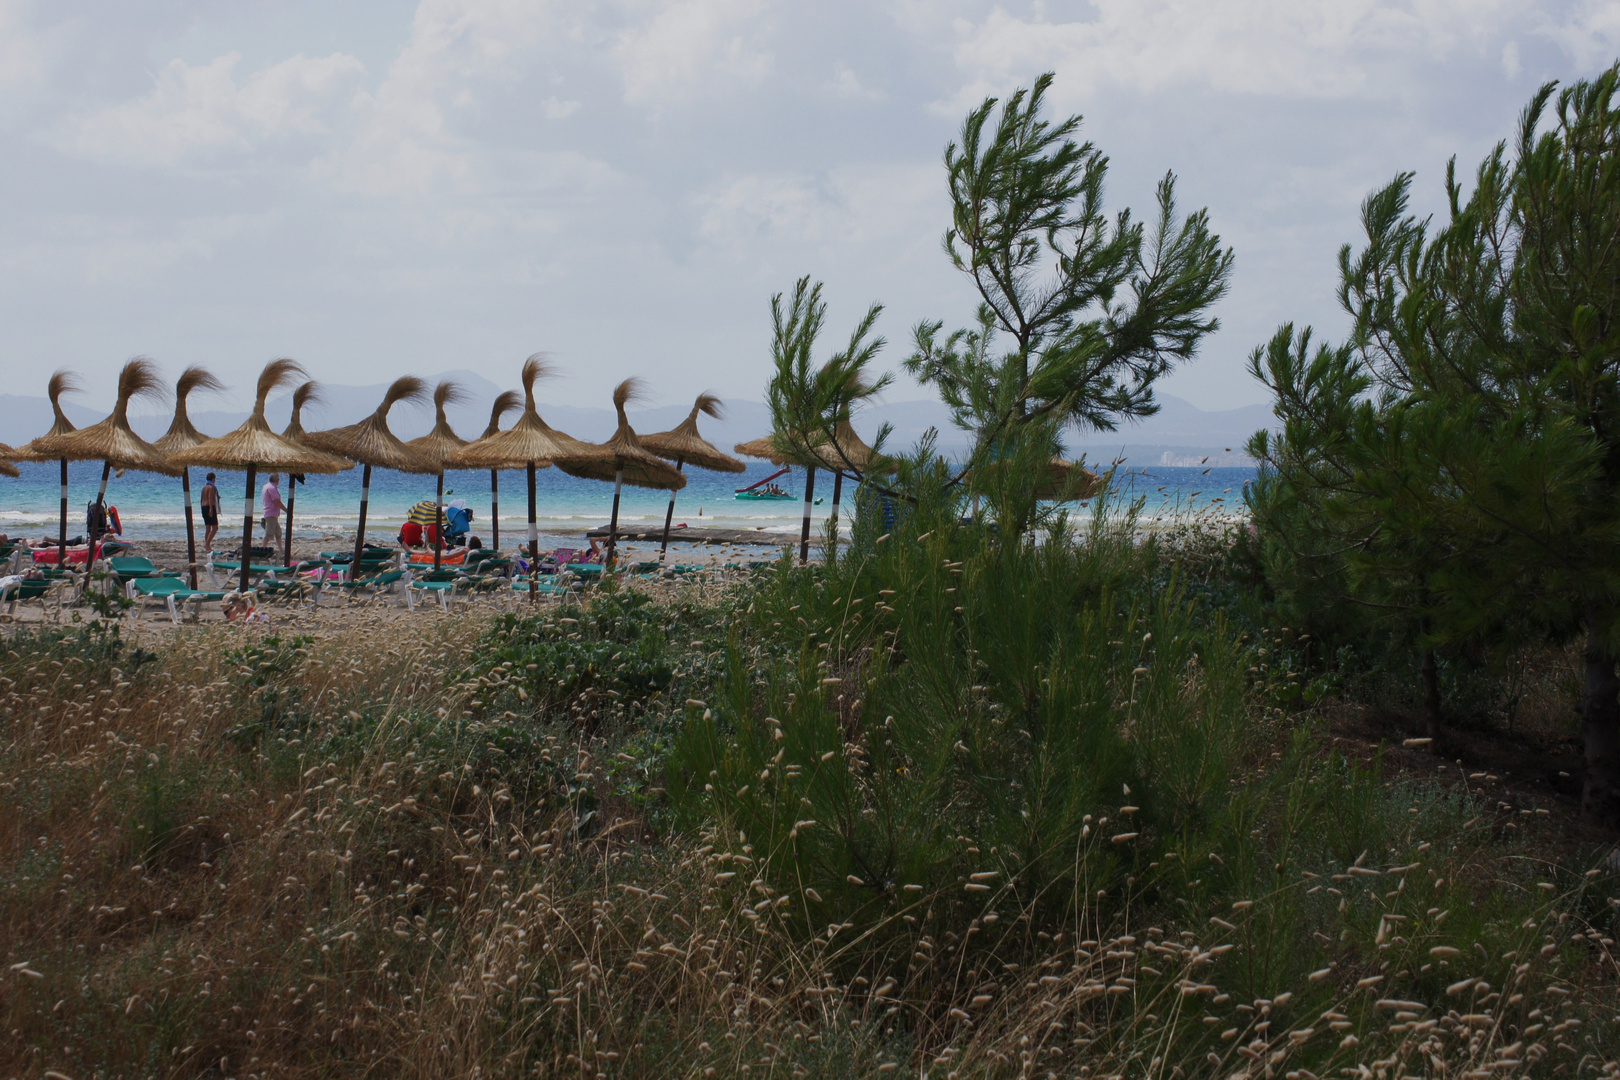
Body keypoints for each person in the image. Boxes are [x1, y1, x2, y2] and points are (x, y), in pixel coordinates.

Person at [262, 473, 285, 552]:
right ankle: (263, 548)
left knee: (278, 533)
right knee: (269, 533)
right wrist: (286, 510)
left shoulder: (266, 486)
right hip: (271, 513)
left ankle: (281, 550)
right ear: (277, 480)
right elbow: (277, 501)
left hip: (271, 514)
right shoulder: (272, 488)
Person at [200, 472, 220, 552]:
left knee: (208, 528)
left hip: (203, 507)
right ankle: (207, 544)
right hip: (209, 507)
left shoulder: (204, 487)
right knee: (215, 527)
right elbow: (210, 498)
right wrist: (211, 509)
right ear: (213, 479)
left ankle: (207, 544)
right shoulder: (212, 487)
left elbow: (202, 499)